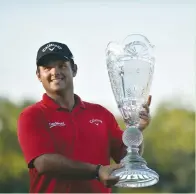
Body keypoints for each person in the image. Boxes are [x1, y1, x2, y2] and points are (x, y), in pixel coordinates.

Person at [17, 42, 152, 193]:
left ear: (74, 70)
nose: (54, 72)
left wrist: (136, 129)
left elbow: (123, 158)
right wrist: (97, 171)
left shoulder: (101, 114)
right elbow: (43, 163)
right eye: (47, 68)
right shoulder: (32, 115)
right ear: (38, 76)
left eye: (62, 65)